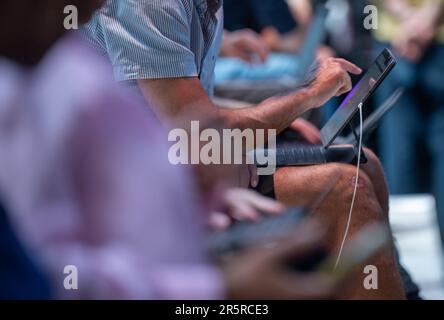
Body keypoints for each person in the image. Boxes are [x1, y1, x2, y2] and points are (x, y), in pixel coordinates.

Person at [0, 0, 346, 300]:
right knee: (345, 189)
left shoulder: (66, 67)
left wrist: (191, 183)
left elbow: (178, 131)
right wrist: (218, 289)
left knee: (354, 171)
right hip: (166, 266)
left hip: (177, 234)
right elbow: (47, 274)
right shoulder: (26, 93)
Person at [84, 0, 407, 299]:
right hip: (145, 188)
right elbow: (199, 134)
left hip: (185, 161)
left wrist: (276, 120)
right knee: (346, 188)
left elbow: (185, 112)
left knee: (364, 161)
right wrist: (307, 96)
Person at [373, 0, 444, 251]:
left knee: (399, 154)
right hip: (406, 39)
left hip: (399, 38)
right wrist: (424, 19)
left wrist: (413, 21)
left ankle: (403, 273)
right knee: (400, 156)